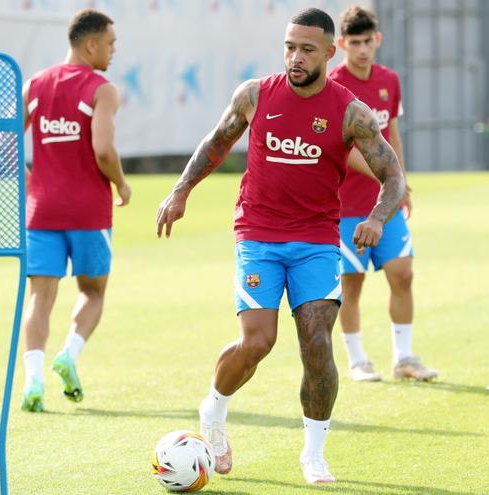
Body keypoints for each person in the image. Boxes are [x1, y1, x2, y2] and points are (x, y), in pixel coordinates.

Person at [156, 8, 405, 484]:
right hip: (258, 235)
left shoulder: (351, 112)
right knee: (258, 342)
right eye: (290, 46)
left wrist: (377, 217)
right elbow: (214, 142)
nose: (295, 57)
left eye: (307, 49)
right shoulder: (254, 95)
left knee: (316, 344)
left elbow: (392, 174)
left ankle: (313, 453)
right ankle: (214, 410)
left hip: (316, 241)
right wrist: (181, 190)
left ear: (330, 54)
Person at [19, 8, 131, 412]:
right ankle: (68, 355)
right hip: (88, 212)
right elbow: (103, 149)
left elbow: (7, 143)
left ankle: (32, 380)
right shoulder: (102, 89)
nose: (113, 50)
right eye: (110, 43)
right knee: (92, 291)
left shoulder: (35, 84)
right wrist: (121, 182)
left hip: (42, 211)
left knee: (40, 298)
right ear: (90, 44)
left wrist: (33, 182)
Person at [329, 5, 438, 383]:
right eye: (353, 43)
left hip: (385, 203)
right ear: (341, 44)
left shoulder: (389, 80)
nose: (362, 49)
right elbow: (343, 147)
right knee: (351, 284)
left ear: (378, 40)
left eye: (367, 41)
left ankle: (404, 357)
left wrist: (399, 181)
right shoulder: (334, 86)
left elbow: (390, 131)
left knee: (403, 273)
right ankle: (358, 359)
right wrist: (383, 175)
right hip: (345, 206)